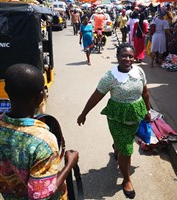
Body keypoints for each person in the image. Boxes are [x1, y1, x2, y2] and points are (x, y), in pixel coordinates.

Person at [77, 43, 151, 199]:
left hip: (135, 115)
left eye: (130, 56)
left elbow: (145, 92)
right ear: (117, 57)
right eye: (124, 55)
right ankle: (127, 179)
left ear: (134, 57)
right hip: (117, 117)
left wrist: (147, 111)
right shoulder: (109, 77)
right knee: (126, 150)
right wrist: (84, 113)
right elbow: (96, 96)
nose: (127, 59)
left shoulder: (139, 72)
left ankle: (117, 146)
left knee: (126, 141)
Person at [0, 63, 79, 199]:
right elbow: (43, 197)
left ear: (7, 90)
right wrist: (69, 164)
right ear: (40, 97)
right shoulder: (43, 142)